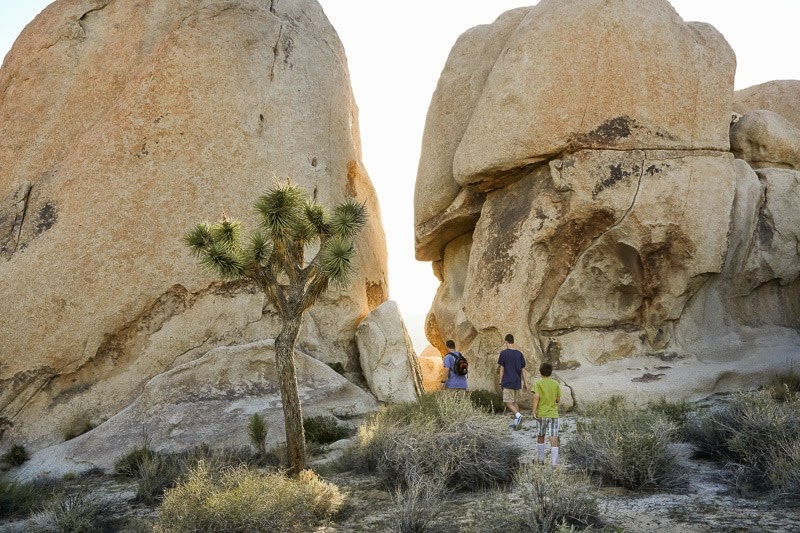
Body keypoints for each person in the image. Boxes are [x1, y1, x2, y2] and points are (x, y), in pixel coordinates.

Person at [532, 362, 561, 465]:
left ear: (540, 372)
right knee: (554, 437)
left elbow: (536, 397)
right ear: (551, 372)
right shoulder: (556, 384)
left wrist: (534, 411)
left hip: (542, 414)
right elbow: (558, 400)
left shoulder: (538, 383)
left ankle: (540, 460)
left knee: (541, 435)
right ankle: (554, 463)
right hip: (553, 414)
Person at [497, 334, 527, 429]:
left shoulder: (504, 353)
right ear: (513, 341)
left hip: (508, 381)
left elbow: (502, 369)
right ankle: (517, 423)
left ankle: (518, 415)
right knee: (514, 402)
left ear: (506, 342)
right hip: (517, 381)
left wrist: (501, 382)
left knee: (507, 401)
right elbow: (523, 369)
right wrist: (525, 382)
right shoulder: (519, 354)